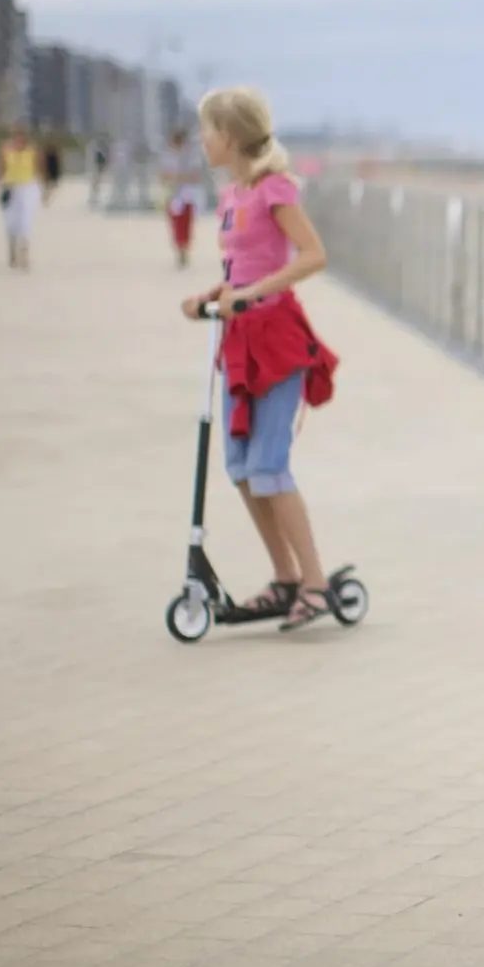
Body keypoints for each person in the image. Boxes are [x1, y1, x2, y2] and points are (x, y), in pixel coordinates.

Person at [177, 87, 342, 630]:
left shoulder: (275, 189)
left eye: (207, 130)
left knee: (270, 468)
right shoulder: (230, 197)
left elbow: (314, 256)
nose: (202, 139)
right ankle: (285, 578)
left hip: (276, 339)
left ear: (230, 136)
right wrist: (211, 297)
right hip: (237, 341)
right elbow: (238, 275)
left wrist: (252, 294)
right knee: (241, 469)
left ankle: (315, 583)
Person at [0, 122, 41, 270]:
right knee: (11, 222)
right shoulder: (5, 150)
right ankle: (12, 247)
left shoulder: (32, 151)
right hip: (10, 186)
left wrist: (44, 187)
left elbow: (39, 168)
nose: (19, 140)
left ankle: (24, 251)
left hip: (27, 186)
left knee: (26, 220)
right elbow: (1, 169)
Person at [162, 128, 210, 268]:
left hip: (189, 195)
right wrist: (177, 177)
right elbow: (162, 175)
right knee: (176, 224)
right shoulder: (168, 156)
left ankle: (185, 249)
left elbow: (196, 176)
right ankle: (179, 249)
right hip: (173, 195)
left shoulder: (192, 156)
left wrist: (177, 176)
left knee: (186, 224)